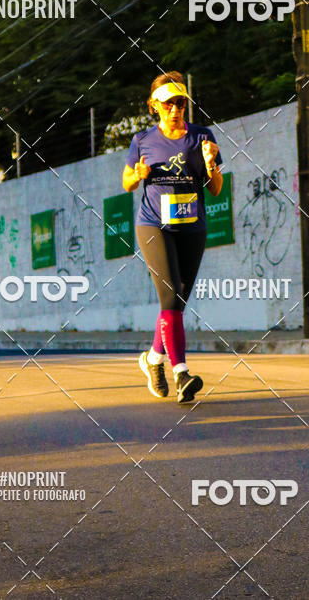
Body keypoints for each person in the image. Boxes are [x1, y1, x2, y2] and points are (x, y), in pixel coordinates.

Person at [123, 72, 222, 403]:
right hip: (153, 226)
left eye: (180, 103)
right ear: (154, 106)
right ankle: (181, 373)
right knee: (169, 297)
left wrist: (211, 164)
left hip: (192, 226)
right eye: (168, 104)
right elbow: (126, 182)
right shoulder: (142, 141)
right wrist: (137, 175)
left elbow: (216, 189)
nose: (175, 110)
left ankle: (153, 359)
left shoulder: (202, 137)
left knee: (177, 302)